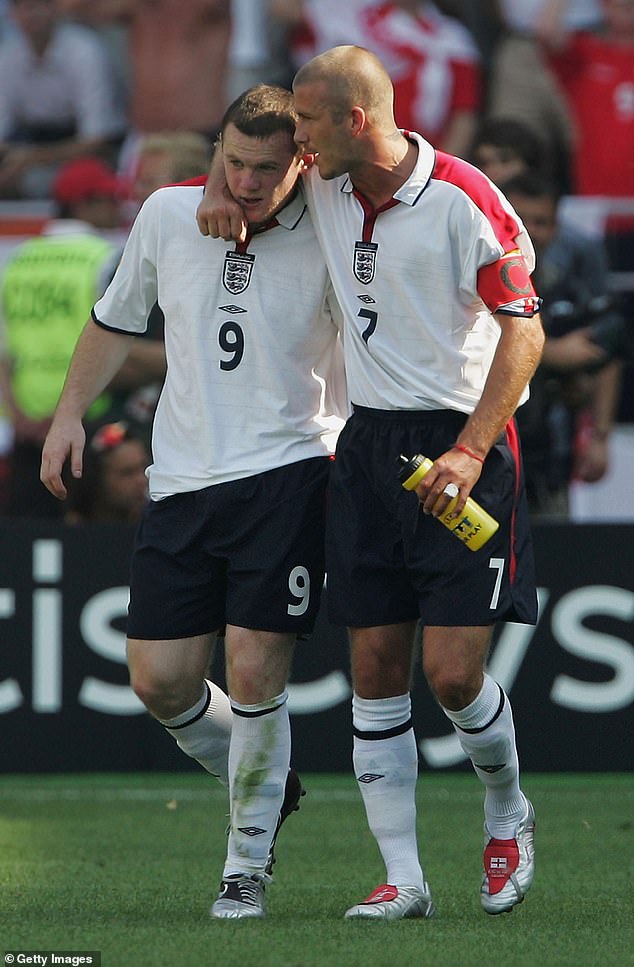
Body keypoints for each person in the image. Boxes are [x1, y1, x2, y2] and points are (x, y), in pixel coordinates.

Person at [198, 44, 545, 920]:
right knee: (375, 667)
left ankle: (508, 811)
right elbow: (244, 146)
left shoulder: (467, 199)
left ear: (356, 120)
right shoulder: (323, 181)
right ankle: (405, 877)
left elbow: (524, 332)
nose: (296, 143)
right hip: (367, 449)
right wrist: (212, 185)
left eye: (309, 122)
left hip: (464, 446)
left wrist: (469, 450)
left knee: (455, 675)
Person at [41, 85, 347, 920]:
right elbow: (114, 321)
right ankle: (266, 782)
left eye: (267, 167)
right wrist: (69, 413)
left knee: (253, 672)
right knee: (163, 682)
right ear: (217, 149)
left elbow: (387, 147)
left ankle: (244, 867)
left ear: (305, 161)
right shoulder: (170, 215)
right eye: (235, 162)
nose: (248, 181)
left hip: (291, 468)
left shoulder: (336, 219)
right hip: (180, 479)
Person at [0, 156, 124, 517]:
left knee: (27, 544)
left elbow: (4, 355)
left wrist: (18, 415)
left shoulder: (19, 259)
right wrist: (64, 414)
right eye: (108, 198)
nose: (117, 207)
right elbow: (114, 340)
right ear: (82, 203)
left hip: (25, 425)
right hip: (86, 420)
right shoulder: (105, 257)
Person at [501, 171, 625, 515]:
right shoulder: (468, 276)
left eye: (541, 222)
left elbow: (607, 349)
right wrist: (551, 353)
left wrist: (599, 436)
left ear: (557, 228)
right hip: (481, 456)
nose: (529, 231)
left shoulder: (565, 287)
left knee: (553, 562)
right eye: (519, 219)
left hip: (549, 456)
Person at [0, 0, 126, 199]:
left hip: (90, 150)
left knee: (41, 182)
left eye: (36, 5)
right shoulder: (7, 54)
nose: (29, 13)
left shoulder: (83, 50)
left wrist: (31, 158)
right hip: (28, 144)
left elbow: (96, 139)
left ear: (54, 9)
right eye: (20, 6)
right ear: (11, 14)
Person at [63, 419, 150, 524]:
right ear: (95, 478)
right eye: (127, 473)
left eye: (145, 469)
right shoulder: (69, 531)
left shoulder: (161, 528)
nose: (142, 481)